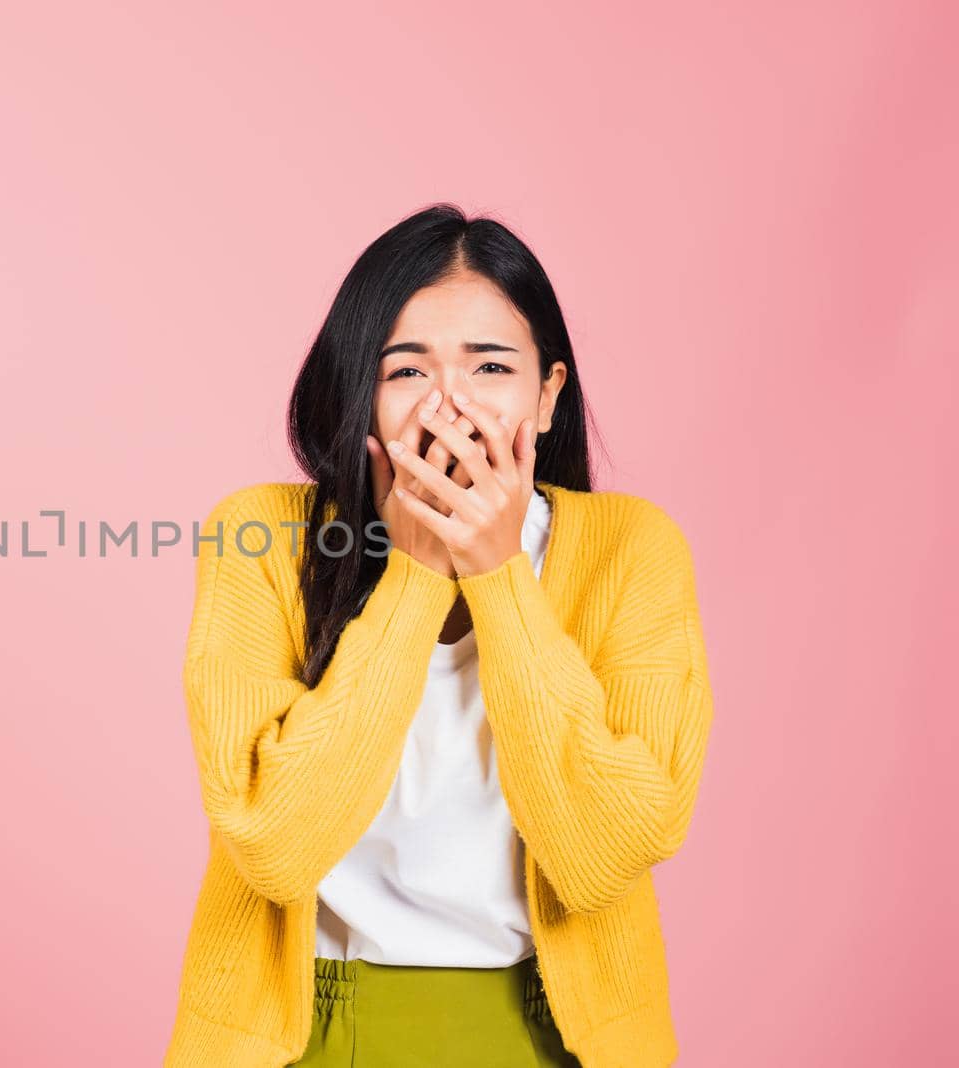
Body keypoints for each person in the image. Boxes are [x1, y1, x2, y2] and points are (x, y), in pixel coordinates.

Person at [163, 203, 713, 1067]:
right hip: (303, 1031)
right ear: (361, 391)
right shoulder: (262, 538)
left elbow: (607, 851)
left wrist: (498, 576)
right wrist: (416, 573)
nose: (450, 403)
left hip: (552, 1034)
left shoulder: (632, 550)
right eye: (407, 369)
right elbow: (276, 845)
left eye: (491, 365)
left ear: (547, 394)